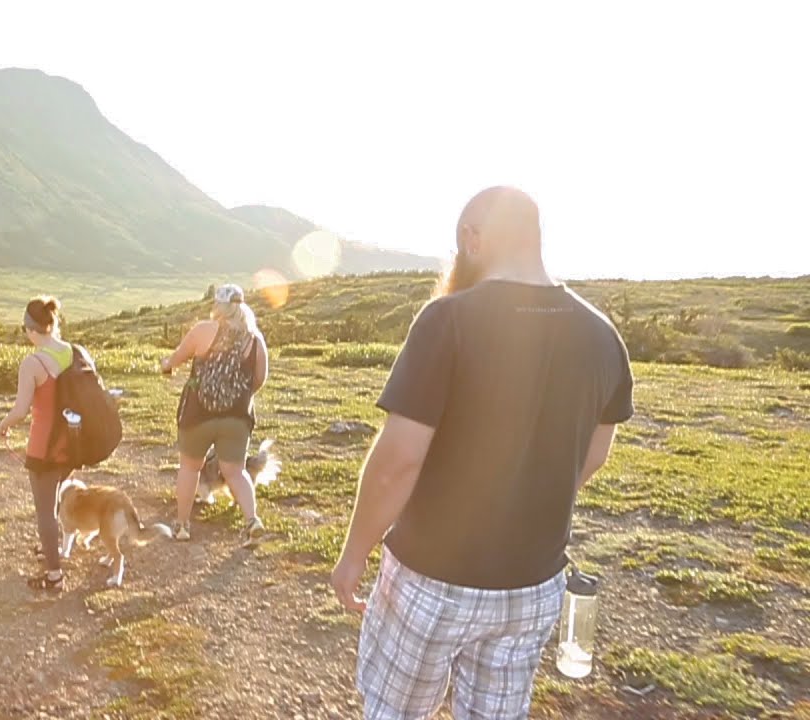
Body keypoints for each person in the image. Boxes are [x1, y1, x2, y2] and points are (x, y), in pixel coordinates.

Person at [331, 187, 634, 720]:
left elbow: (397, 464)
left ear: (472, 238)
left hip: (432, 576)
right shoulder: (602, 336)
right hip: (533, 584)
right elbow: (594, 456)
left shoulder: (447, 320)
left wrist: (354, 555)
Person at [160, 284, 269, 546]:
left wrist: (166, 366)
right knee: (235, 472)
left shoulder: (203, 330)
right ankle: (252, 521)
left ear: (218, 306)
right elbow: (259, 380)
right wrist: (236, 397)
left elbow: (176, 358)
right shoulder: (255, 339)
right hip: (237, 417)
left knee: (190, 467)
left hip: (198, 414)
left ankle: (183, 525)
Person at [0, 296, 75, 591]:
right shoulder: (72, 352)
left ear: (31, 329)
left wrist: (3, 426)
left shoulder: (32, 363)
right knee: (54, 498)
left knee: (45, 510)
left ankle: (54, 575)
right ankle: (50, 547)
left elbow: (20, 410)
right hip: (71, 443)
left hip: (44, 446)